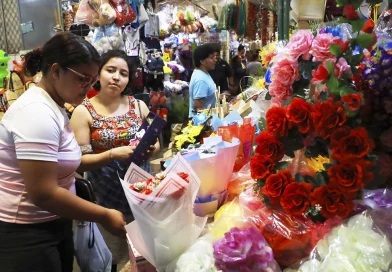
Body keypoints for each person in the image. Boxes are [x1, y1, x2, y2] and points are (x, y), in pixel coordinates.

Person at [0, 32, 126, 272]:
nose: (89, 87)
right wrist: (104, 215)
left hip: (53, 223)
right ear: (56, 71)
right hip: (26, 235)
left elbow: (64, 164)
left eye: (92, 81)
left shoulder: (55, 105)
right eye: (83, 79)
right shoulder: (36, 112)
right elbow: (43, 193)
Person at [70, 50, 159, 271]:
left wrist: (152, 148)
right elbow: (80, 162)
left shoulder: (138, 106)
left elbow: (155, 142)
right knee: (113, 257)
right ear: (98, 74)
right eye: (110, 70)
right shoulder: (83, 111)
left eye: (123, 73)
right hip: (106, 196)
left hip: (142, 192)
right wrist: (111, 154)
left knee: (148, 253)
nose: (116, 77)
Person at [189, 44, 217, 118]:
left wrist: (217, 96)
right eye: (211, 57)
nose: (215, 59)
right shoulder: (201, 80)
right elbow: (198, 107)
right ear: (202, 61)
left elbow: (206, 95)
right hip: (202, 124)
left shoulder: (203, 73)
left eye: (215, 56)